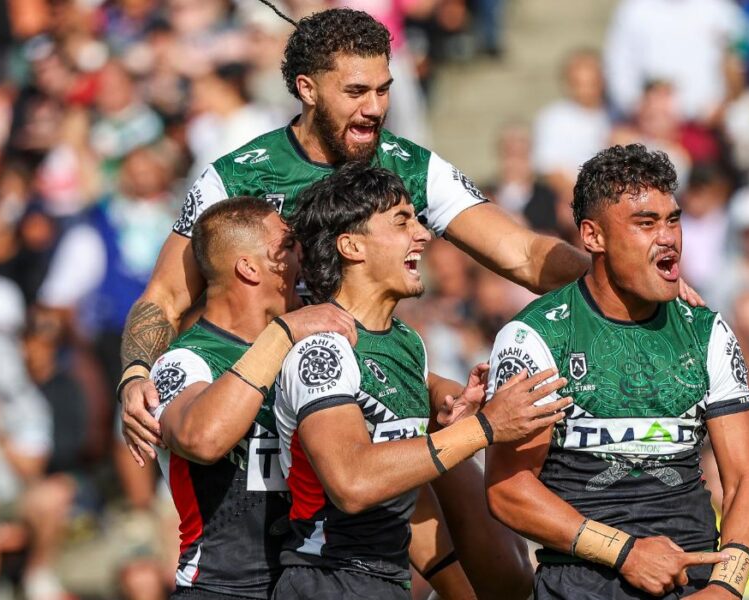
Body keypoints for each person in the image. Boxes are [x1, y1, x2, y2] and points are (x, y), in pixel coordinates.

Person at [117, 8, 699, 598]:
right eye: (356, 92)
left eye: (384, 89)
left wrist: (627, 279)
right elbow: (164, 296)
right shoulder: (238, 176)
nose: (375, 107)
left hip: (371, 380)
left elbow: (523, 254)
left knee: (492, 556)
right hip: (273, 394)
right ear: (307, 89)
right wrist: (136, 371)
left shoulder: (408, 166)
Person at [272, 162, 572, 599]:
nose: (424, 235)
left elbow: (406, 495)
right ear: (351, 245)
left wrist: (456, 401)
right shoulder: (322, 349)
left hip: (384, 583)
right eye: (402, 222)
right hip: (325, 582)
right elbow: (353, 482)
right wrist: (486, 427)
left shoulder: (406, 342)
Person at [484, 145, 749, 599]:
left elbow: (746, 479)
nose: (668, 238)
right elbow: (509, 489)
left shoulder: (706, 331)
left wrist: (726, 586)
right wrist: (626, 552)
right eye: (646, 223)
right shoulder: (537, 338)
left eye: (672, 220)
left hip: (694, 582)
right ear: (593, 236)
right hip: (581, 585)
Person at [147, 196, 357, 599]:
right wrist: (281, 334)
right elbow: (202, 438)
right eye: (288, 245)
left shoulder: (311, 340)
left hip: (312, 584)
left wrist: (443, 397)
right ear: (249, 267)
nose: (302, 254)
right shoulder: (184, 360)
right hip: (220, 589)